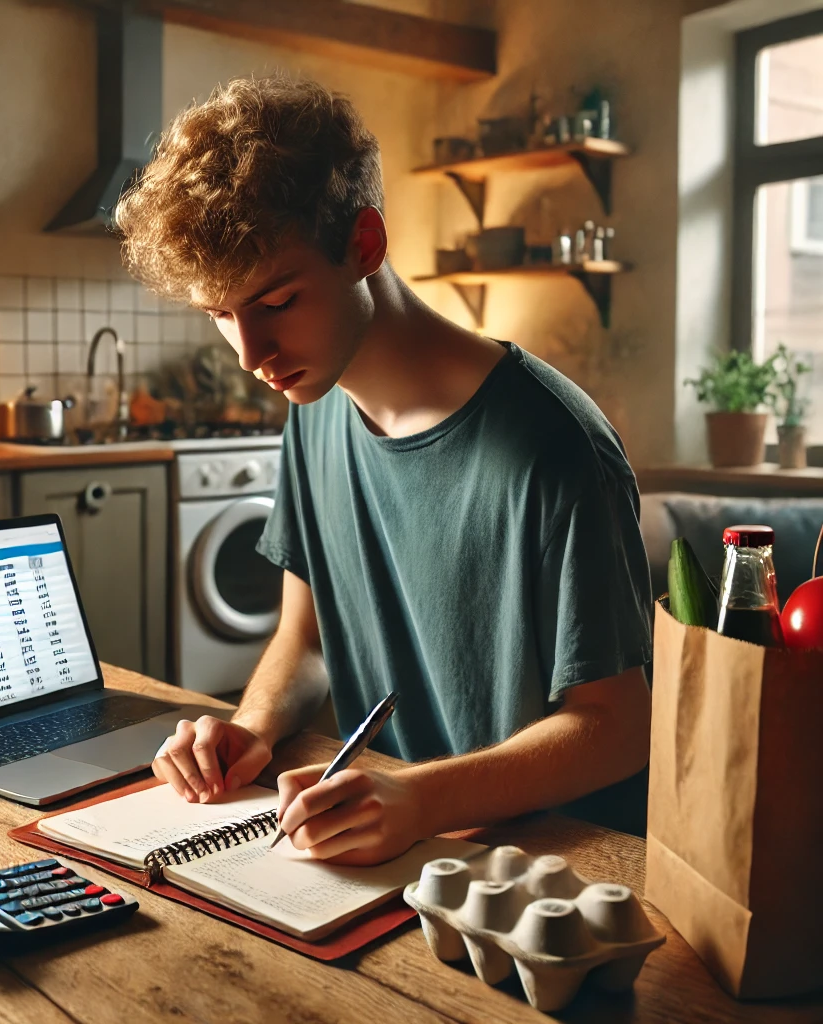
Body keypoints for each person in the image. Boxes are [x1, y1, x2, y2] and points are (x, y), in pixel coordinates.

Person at [115, 75, 653, 867]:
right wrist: (251, 730)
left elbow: (616, 728)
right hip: (396, 848)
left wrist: (421, 797)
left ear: (364, 247)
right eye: (221, 315)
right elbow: (306, 640)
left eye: (279, 300)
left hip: (549, 870)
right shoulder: (312, 407)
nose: (250, 357)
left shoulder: (557, 448)